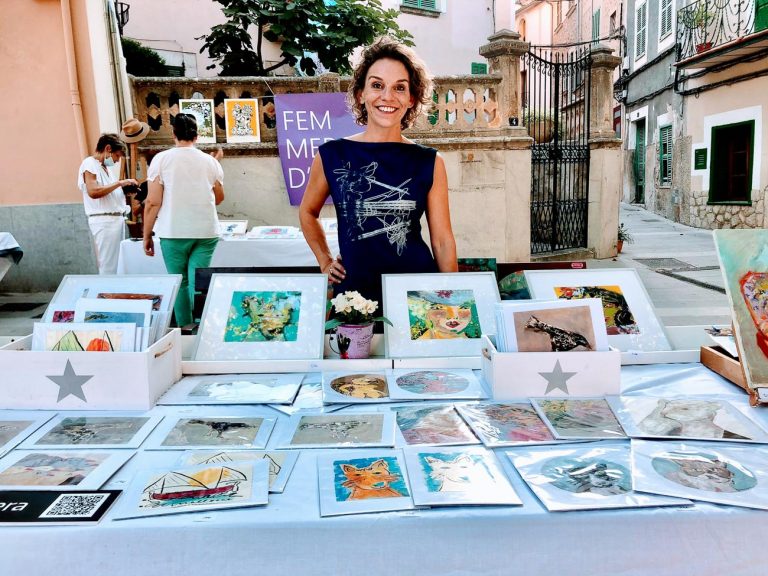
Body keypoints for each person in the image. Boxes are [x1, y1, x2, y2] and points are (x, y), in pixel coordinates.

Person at [299, 36, 457, 306]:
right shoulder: (332, 155)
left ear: (411, 99)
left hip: (416, 293)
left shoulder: (430, 161)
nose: (387, 96)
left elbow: (442, 240)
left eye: (399, 87)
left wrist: (452, 298)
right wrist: (324, 260)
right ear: (361, 94)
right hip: (355, 294)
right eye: (377, 85)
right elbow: (307, 212)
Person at [142, 113, 224, 327]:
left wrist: (147, 235)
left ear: (173, 134)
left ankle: (185, 330)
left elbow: (152, 202)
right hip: (205, 230)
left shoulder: (161, 160)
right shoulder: (210, 162)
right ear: (197, 136)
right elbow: (219, 198)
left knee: (180, 283)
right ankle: (201, 328)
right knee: (199, 283)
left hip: (173, 230)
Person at [77, 133, 138, 274]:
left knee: (117, 264)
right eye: (117, 155)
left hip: (115, 220)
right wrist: (120, 183)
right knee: (109, 264)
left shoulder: (107, 168)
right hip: (104, 221)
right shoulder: (89, 164)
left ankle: (115, 287)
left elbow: (108, 192)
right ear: (108, 149)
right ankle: (107, 287)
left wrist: (125, 189)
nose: (117, 161)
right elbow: (93, 192)